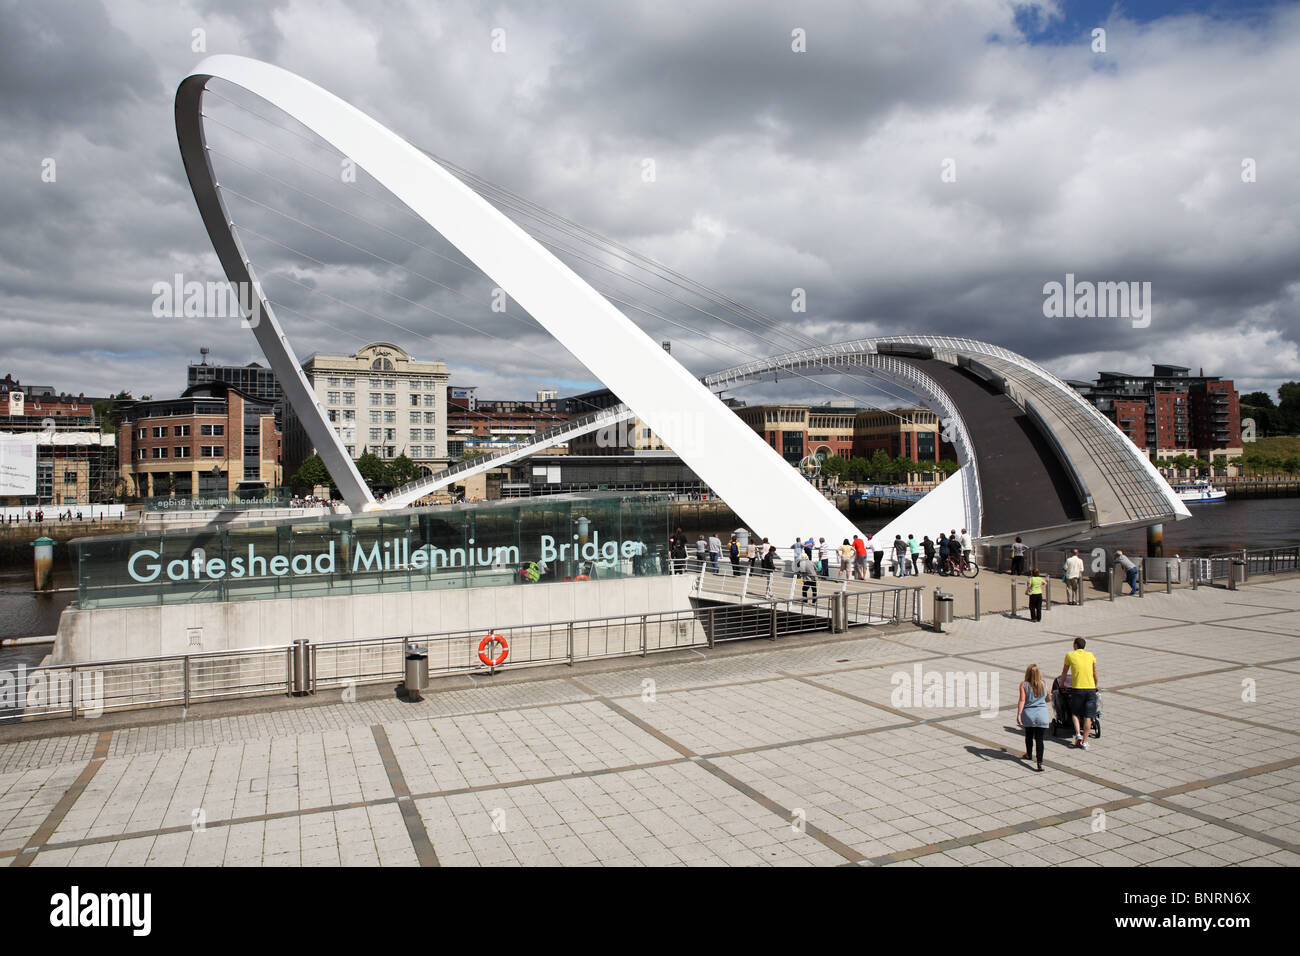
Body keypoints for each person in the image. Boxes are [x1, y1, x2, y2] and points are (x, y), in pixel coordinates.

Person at [1060, 637, 1098, 748]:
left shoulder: (1070, 655)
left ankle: (1078, 734)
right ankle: (1085, 742)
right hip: (1090, 689)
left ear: (1075, 645)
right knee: (1088, 716)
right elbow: (1095, 672)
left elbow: (1064, 672)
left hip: (1077, 689)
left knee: (1075, 713)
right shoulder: (1090, 655)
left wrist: (1062, 684)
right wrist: (1095, 684)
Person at [1017, 664, 1052, 772]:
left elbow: (1022, 700)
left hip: (1029, 714)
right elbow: (1048, 698)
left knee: (1029, 735)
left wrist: (1019, 713)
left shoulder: (1024, 685)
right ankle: (1039, 763)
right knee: (1039, 739)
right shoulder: (1044, 683)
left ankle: (1028, 754)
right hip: (1042, 714)